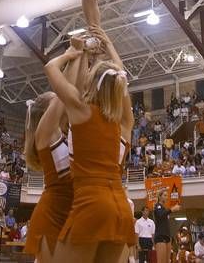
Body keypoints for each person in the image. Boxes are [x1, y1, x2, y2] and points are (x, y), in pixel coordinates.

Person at [44, 28, 135, 263]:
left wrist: (73, 52)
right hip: (122, 208)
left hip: (91, 203)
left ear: (92, 83)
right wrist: (110, 46)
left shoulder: (81, 110)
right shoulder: (124, 123)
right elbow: (121, 77)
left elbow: (50, 68)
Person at [24, 91, 75, 263]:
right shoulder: (46, 133)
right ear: (48, 113)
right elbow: (64, 91)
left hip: (68, 211)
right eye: (56, 102)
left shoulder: (63, 135)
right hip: (52, 214)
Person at [153, 190, 179, 263]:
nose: (166, 197)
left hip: (167, 235)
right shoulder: (157, 206)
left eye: (167, 195)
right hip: (160, 235)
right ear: (159, 197)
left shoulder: (164, 208)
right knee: (161, 261)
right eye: (164, 195)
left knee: (167, 261)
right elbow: (160, 215)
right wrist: (172, 209)